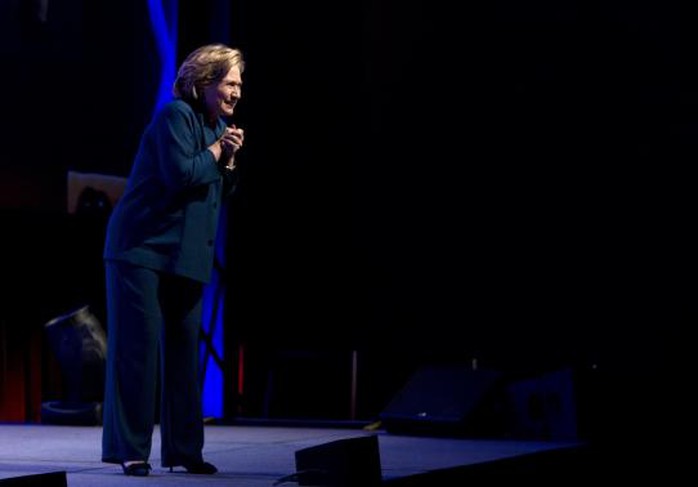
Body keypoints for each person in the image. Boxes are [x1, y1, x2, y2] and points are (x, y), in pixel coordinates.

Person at [100, 43, 245, 477]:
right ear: (205, 82)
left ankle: (184, 450)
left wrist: (228, 160)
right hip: (140, 249)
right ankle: (131, 449)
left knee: (184, 356)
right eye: (230, 82)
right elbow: (180, 175)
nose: (237, 91)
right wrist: (220, 152)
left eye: (240, 84)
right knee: (138, 352)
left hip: (183, 254)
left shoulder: (213, 125)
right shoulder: (175, 116)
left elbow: (216, 191)